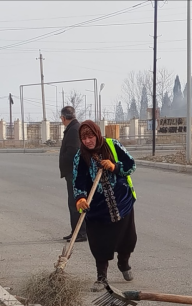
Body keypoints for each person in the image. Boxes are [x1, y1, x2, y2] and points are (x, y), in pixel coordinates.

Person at [72, 120, 137, 291]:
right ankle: (101, 278)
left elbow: (131, 165)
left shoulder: (112, 145)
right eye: (84, 138)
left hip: (121, 203)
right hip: (97, 208)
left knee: (126, 239)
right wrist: (80, 198)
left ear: (97, 134)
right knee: (99, 243)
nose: (88, 141)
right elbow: (77, 180)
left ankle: (123, 263)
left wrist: (114, 167)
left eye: (90, 136)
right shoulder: (81, 156)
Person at [58, 106, 86, 242]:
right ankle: (75, 231)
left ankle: (80, 233)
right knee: (74, 202)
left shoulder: (74, 130)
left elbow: (74, 152)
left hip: (74, 172)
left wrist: (64, 160)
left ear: (63, 118)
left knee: (76, 202)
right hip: (72, 172)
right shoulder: (73, 128)